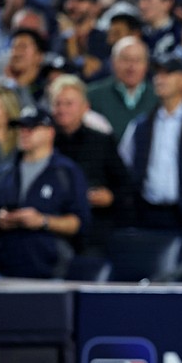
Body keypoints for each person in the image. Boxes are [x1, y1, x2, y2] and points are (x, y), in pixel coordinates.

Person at [119, 54, 182, 282]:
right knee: (149, 276)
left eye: (168, 73)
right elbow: (123, 163)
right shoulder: (140, 125)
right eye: (157, 74)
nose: (160, 79)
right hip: (148, 216)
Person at [0, 106, 91, 279]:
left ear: (50, 132)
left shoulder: (66, 172)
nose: (25, 133)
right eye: (22, 128)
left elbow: (80, 222)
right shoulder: (4, 172)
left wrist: (42, 221)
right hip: (5, 270)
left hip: (50, 272)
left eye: (32, 128)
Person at [50, 74, 133, 257]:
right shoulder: (45, 143)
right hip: (53, 232)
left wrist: (110, 197)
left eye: (69, 103)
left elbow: (126, 187)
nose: (62, 109)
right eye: (58, 103)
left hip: (95, 230)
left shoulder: (101, 142)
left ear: (85, 107)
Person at [87, 37, 159, 141]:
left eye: (137, 60)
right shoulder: (92, 95)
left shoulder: (159, 97)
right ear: (113, 62)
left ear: (146, 65)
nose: (131, 67)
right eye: (126, 59)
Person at [54, 0, 109, 82]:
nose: (72, 5)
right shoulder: (58, 38)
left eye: (80, 0)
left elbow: (90, 71)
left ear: (95, 7)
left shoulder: (103, 38)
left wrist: (72, 42)